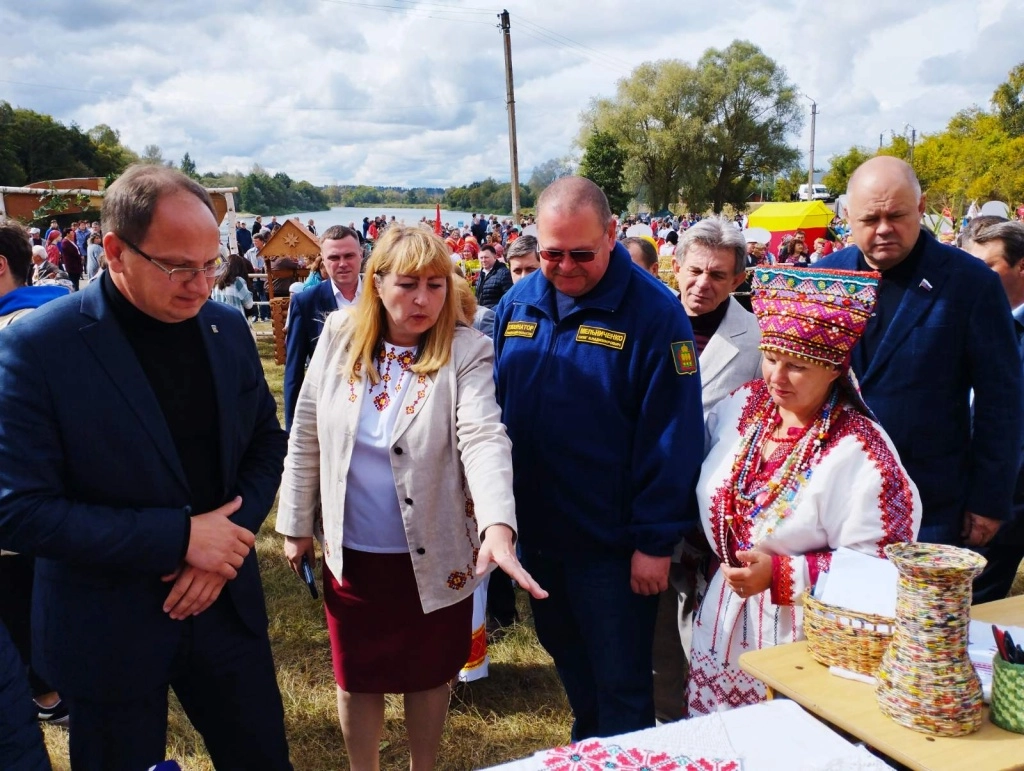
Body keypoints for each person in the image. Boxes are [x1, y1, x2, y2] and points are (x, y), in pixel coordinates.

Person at [0, 164, 293, 771]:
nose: (201, 285)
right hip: (108, 626)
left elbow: (267, 443)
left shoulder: (225, 327)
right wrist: (183, 539)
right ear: (114, 251)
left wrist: (227, 547)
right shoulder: (39, 347)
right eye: (179, 268)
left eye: (211, 264)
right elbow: (18, 509)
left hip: (225, 611)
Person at [276, 225, 546, 771]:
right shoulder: (336, 335)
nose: (422, 299)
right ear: (376, 284)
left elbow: (484, 436)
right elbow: (307, 431)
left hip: (436, 551)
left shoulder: (467, 349)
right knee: (357, 677)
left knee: (429, 674)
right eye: (407, 284)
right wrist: (296, 521)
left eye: (435, 284)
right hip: (353, 554)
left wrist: (498, 527)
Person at [494, 177, 704, 740]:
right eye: (550, 253)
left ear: (612, 234)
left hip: (612, 549)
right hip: (539, 537)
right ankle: (589, 750)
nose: (562, 268)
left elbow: (674, 435)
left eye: (580, 254)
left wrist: (654, 542)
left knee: (623, 687)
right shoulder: (518, 302)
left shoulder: (655, 314)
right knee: (574, 670)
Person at [687, 266, 922, 715]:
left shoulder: (861, 451)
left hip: (806, 632)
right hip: (722, 616)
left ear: (835, 369)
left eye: (797, 366)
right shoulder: (743, 405)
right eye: (771, 357)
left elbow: (889, 564)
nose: (777, 376)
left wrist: (781, 574)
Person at [817, 156, 1023, 548]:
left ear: (921, 207)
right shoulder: (823, 277)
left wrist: (990, 499)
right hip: (831, 502)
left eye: (896, 215)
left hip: (929, 506)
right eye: (868, 220)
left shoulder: (971, 284)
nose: (883, 230)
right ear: (847, 215)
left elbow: (1002, 401)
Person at [651, 218, 763, 723]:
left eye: (718, 275)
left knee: (701, 625)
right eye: (695, 270)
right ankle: (660, 721)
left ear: (739, 279)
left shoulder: (757, 340)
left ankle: (706, 719)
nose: (703, 284)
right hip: (647, 498)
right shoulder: (646, 319)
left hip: (712, 514)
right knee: (651, 632)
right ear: (676, 267)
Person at [960, 218, 1024, 602]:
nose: (974, 278)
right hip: (961, 489)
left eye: (986, 267)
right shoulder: (968, 318)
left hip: (1009, 498)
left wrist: (994, 497)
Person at [283, 225, 364, 430]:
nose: (343, 264)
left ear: (361, 255)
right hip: (331, 410)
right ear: (323, 259)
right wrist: (293, 429)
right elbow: (294, 369)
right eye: (334, 258)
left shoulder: (381, 296)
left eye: (349, 256)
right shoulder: (306, 302)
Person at [210, 253, 255, 318]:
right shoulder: (238, 281)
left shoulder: (216, 282)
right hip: (236, 320)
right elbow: (249, 304)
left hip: (219, 319)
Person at [475, 244, 513, 309]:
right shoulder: (481, 274)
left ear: (495, 257)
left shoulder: (504, 273)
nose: (483, 260)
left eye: (486, 257)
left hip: (495, 315)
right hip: (483, 314)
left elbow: (509, 298)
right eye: (481, 258)